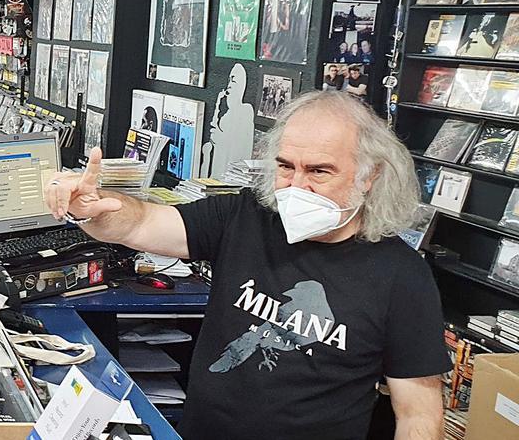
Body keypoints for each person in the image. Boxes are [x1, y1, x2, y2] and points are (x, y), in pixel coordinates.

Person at [45, 91, 448, 440]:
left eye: (319, 171)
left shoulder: (402, 276)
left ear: (369, 176)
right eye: (286, 166)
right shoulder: (246, 217)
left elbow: (418, 414)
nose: (296, 185)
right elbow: (141, 222)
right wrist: (93, 212)